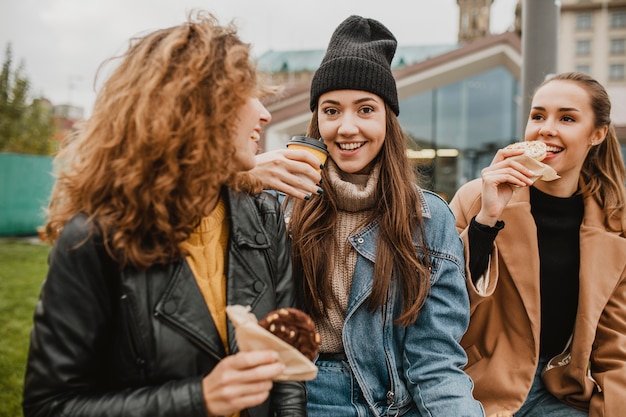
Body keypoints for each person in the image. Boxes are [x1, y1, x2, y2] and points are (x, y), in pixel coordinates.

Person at [22, 11, 307, 417]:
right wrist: (199, 398)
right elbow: (49, 406)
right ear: (197, 107)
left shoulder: (262, 216)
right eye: (245, 94)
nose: (264, 112)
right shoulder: (94, 239)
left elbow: (286, 370)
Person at [252, 15, 485, 417]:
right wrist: (244, 175)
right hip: (305, 398)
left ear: (386, 119)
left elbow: (435, 360)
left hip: (399, 401)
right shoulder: (279, 204)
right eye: (331, 110)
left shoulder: (430, 218)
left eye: (364, 109)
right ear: (317, 120)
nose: (346, 127)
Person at [449, 72, 626, 417]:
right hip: (475, 384)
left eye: (567, 118)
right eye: (538, 115)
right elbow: (439, 304)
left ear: (597, 134)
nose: (546, 128)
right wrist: (485, 222)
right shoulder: (475, 198)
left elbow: (616, 344)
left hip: (558, 389)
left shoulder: (614, 223)